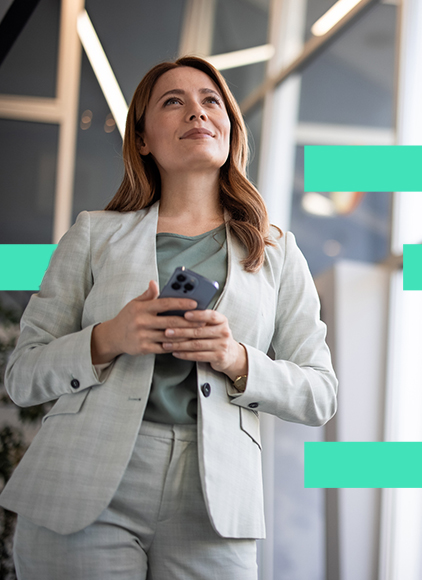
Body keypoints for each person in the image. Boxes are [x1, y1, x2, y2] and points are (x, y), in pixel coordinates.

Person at [0, 55, 337, 579]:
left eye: (210, 102)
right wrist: (107, 338)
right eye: (173, 102)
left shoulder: (277, 252)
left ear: (229, 126)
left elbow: (320, 394)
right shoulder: (94, 233)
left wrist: (237, 358)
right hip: (85, 482)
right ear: (142, 139)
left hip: (214, 501)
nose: (197, 113)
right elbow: (22, 376)